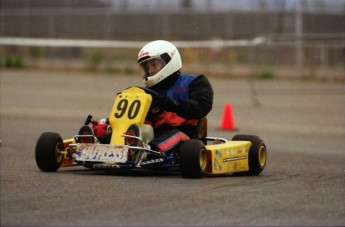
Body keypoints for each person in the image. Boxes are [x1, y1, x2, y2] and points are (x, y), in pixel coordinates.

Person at [137, 40, 214, 154]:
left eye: (154, 65)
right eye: (147, 67)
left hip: (186, 138)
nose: (151, 71)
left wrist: (170, 104)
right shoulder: (148, 92)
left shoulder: (194, 82)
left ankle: (149, 152)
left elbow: (200, 108)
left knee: (176, 136)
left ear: (169, 61)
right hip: (154, 136)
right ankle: (104, 144)